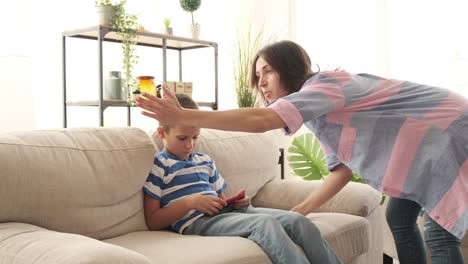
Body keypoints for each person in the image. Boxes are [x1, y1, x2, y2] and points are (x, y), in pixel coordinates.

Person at [136, 40, 467, 264]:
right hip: (424, 144)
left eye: (267, 71)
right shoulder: (322, 112)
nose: (261, 82)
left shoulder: (325, 87)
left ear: (289, 67)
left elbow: (264, 118)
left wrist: (183, 115)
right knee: (398, 216)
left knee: (439, 230)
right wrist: (303, 208)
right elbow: (341, 169)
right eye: (257, 75)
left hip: (445, 132)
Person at [142, 93, 341, 264]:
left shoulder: (205, 160)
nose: (190, 145)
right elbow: (153, 221)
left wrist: (238, 202)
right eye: (182, 138)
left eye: (195, 137)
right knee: (264, 224)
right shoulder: (160, 165)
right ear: (162, 134)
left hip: (225, 213)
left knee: (297, 220)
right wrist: (190, 202)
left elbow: (222, 198)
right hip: (198, 221)